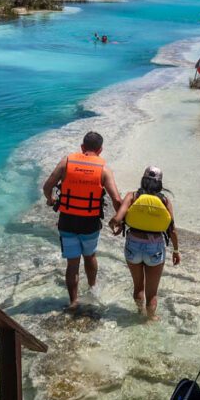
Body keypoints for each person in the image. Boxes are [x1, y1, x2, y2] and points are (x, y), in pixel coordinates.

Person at [42, 131, 122, 309]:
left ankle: (73, 301)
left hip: (67, 220)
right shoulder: (104, 170)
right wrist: (120, 220)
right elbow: (116, 200)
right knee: (90, 256)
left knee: (72, 263)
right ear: (100, 150)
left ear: (82, 147)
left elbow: (47, 186)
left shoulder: (66, 162)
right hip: (90, 222)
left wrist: (51, 199)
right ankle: (93, 289)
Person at [109, 166, 180, 320]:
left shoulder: (132, 196)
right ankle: (150, 318)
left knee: (138, 286)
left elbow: (117, 219)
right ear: (159, 183)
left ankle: (139, 313)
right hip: (155, 247)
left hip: (133, 246)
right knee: (152, 292)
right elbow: (172, 230)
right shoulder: (165, 201)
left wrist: (114, 225)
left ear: (143, 180)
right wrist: (176, 251)